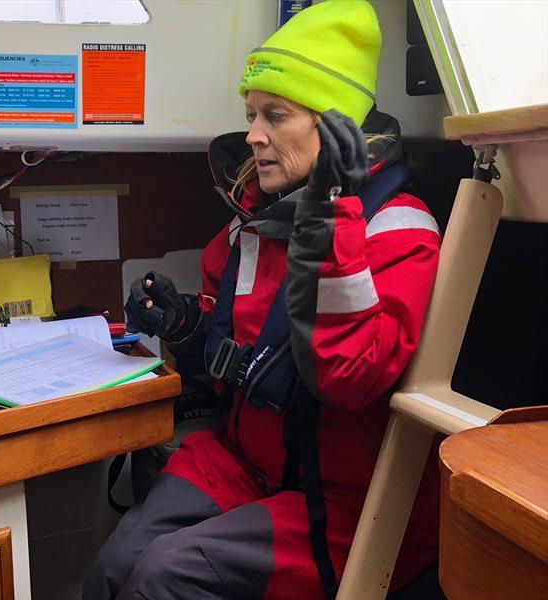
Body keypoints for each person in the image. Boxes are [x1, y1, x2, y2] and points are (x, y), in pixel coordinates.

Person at [83, 1, 441, 598]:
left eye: (274, 115)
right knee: (115, 563)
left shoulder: (399, 232)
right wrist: (185, 325)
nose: (253, 135)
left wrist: (332, 221)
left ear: (334, 130)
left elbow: (348, 379)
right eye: (251, 114)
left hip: (346, 500)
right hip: (248, 463)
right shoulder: (253, 228)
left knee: (162, 578)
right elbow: (240, 353)